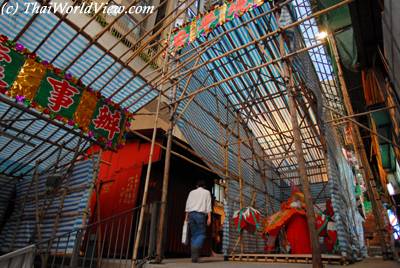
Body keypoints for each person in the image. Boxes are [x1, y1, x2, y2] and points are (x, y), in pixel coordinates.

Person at [185, 179, 212, 263]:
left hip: (191, 215)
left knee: (194, 235)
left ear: (196, 186)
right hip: (200, 215)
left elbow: (187, 205)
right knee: (201, 234)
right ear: (204, 186)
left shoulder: (191, 192)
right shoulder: (207, 192)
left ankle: (194, 257)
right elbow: (208, 205)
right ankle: (196, 249)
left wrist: (186, 217)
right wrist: (209, 218)